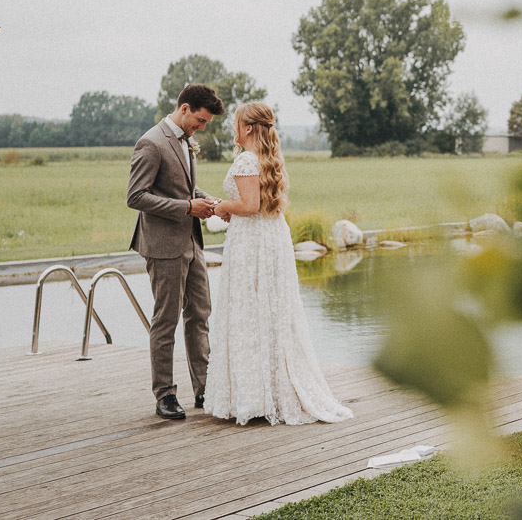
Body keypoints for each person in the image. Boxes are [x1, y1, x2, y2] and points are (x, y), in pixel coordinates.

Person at [203, 102, 353, 425]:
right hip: (271, 236)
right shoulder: (270, 158)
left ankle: (255, 397)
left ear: (247, 128)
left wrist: (221, 206)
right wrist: (232, 206)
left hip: (252, 243)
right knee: (270, 310)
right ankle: (269, 390)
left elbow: (249, 205)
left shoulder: (247, 159)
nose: (233, 129)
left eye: (236, 124)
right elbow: (257, 204)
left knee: (249, 309)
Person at [127, 82, 224, 420]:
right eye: (200, 120)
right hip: (164, 246)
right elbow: (136, 196)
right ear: (184, 109)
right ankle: (165, 394)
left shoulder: (185, 140)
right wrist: (187, 207)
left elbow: (184, 186)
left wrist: (206, 199)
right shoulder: (151, 143)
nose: (202, 128)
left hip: (192, 242)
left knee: (200, 313)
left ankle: (204, 389)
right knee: (165, 320)